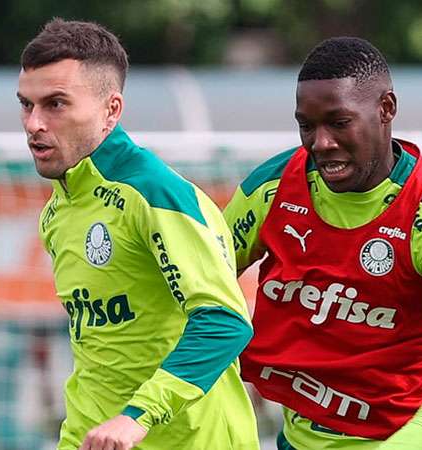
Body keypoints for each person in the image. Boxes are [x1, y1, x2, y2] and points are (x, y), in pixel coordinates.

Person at [224, 37, 422, 450]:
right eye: (307, 125)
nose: (321, 142)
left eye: (339, 123)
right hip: (296, 439)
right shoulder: (271, 187)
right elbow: (196, 285)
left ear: (386, 109)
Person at [17, 18, 259, 450]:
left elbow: (224, 322)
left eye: (55, 104)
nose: (34, 123)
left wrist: (135, 417)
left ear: (112, 110)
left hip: (189, 440)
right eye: (26, 105)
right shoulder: (59, 208)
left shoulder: (155, 193)